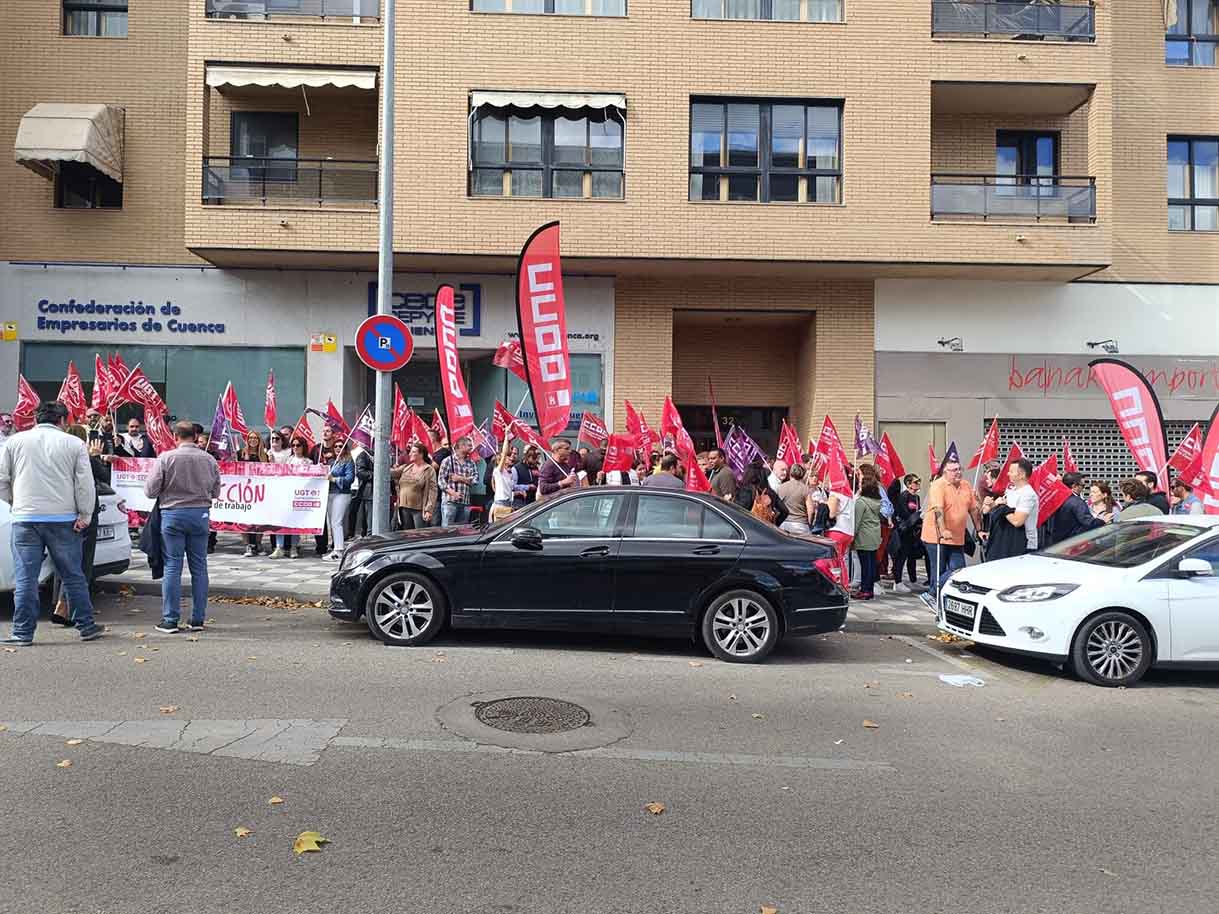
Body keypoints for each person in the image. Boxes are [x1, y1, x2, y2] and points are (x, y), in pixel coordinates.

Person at [0, 401, 105, 644]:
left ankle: (22, 632)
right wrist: (85, 516)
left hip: (25, 519)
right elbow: (84, 484)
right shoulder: (75, 443)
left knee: (25, 578)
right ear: (63, 420)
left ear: (36, 419)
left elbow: (2, 479)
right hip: (63, 519)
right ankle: (86, 626)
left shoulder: (15, 442)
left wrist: (13, 505)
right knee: (73, 575)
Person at [144, 421, 221, 635]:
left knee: (172, 567)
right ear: (195, 437)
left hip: (173, 514)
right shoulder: (209, 459)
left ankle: (170, 619)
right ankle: (197, 619)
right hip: (200, 514)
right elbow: (216, 491)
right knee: (199, 567)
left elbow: (150, 491)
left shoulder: (166, 458)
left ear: (176, 436)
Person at [51, 425, 113, 627]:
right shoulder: (84, 456)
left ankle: (61, 604)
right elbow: (104, 476)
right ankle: (71, 609)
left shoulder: (56, 456)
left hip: (61, 512)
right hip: (84, 513)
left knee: (63, 561)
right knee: (82, 562)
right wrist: (95, 457)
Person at [919, 458, 982, 609]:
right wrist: (943, 530)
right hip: (936, 537)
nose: (958, 472)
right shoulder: (938, 485)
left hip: (957, 537)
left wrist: (979, 530)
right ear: (945, 472)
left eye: (960, 469)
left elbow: (973, 509)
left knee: (957, 569)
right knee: (938, 569)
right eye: (954, 470)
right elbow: (938, 510)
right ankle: (933, 595)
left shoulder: (966, 485)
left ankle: (935, 594)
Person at [269, 437, 313, 558]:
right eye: (293, 445)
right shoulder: (288, 460)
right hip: (286, 494)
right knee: (281, 520)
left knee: (295, 523)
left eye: (298, 445)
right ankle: (279, 547)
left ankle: (294, 547)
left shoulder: (308, 462)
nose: (295, 448)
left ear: (303, 446)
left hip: (299, 495)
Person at [1042, 471, 1103, 547]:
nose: (1083, 488)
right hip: (1072, 544)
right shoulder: (1077, 502)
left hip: (1055, 544)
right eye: (1082, 485)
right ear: (1074, 486)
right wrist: (1103, 522)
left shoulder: (1055, 499)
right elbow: (1088, 522)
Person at [890, 474, 928, 593]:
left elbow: (918, 510)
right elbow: (903, 513)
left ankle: (913, 579)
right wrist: (916, 517)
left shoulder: (916, 497)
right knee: (901, 556)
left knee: (912, 555)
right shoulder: (903, 496)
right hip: (904, 531)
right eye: (915, 482)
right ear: (908, 484)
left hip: (914, 531)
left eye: (918, 482)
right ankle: (898, 581)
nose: (917, 484)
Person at [392, 442, 438, 530]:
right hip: (404, 508)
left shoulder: (428, 470)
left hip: (419, 510)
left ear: (421, 454)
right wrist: (379, 464)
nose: (410, 454)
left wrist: (429, 510)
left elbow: (433, 491)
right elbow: (393, 473)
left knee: (419, 535)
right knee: (407, 535)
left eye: (413, 452)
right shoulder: (407, 467)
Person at [322, 441, 355, 558]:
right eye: (335, 446)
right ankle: (336, 548)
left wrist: (334, 479)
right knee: (332, 523)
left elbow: (350, 479)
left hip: (342, 494)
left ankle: (339, 550)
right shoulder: (332, 462)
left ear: (345, 448)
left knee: (337, 522)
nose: (337, 448)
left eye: (340, 446)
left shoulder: (348, 461)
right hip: (330, 493)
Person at [311, 426, 340, 555]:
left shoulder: (338, 447)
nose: (325, 433)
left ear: (333, 435)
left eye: (328, 431)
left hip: (334, 488)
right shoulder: (316, 449)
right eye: (323, 431)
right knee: (320, 518)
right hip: (318, 487)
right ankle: (321, 545)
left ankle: (336, 543)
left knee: (334, 518)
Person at [852, 478, 883, 600]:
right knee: (871, 564)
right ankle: (869, 589)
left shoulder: (861, 502)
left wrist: (852, 536)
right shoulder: (876, 501)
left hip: (863, 535)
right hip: (874, 534)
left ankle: (864, 590)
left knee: (865, 564)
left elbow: (857, 521)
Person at [240, 430, 269, 557]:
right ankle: (248, 545)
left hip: (259, 491)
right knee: (245, 519)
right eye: (250, 438)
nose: (252, 440)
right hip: (243, 490)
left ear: (259, 440)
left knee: (259, 519)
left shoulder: (264, 456)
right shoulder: (240, 453)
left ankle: (258, 544)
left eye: (255, 438)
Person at [438, 436, 478, 526]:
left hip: (465, 502)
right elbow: (441, 481)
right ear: (461, 446)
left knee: (461, 531)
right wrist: (453, 493)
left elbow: (475, 480)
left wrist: (460, 478)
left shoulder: (471, 463)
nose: (472, 447)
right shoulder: (448, 461)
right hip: (450, 502)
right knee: (447, 531)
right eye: (469, 445)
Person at [346, 440, 374, 538]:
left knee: (368, 520)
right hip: (368, 491)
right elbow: (360, 472)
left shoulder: (386, 452)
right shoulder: (364, 454)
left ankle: (366, 536)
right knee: (368, 520)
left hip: (379, 493)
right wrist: (377, 474)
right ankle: (366, 538)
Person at [489, 442, 523, 523]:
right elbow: (504, 453)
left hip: (508, 504)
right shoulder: (498, 471)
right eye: (508, 457)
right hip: (500, 505)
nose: (511, 458)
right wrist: (507, 437)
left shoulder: (507, 473)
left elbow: (508, 490)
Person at [777, 463, 812, 535]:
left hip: (784, 524)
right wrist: (810, 523)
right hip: (801, 525)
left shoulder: (781, 487)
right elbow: (811, 510)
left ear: (790, 473)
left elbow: (777, 507)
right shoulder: (805, 489)